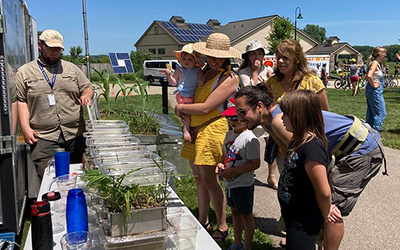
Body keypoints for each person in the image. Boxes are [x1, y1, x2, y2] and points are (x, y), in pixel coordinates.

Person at [234, 85, 386, 250]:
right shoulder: (268, 121)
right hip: (345, 146)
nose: (238, 117)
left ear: (259, 107)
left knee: (332, 208)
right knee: (321, 201)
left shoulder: (279, 121)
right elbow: (289, 153)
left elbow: (304, 154)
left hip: (361, 149)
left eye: (242, 112)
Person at [176, 33, 241, 243]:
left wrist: (180, 107)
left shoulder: (230, 78)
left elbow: (205, 108)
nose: (213, 59)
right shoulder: (203, 70)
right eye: (210, 55)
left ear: (226, 56)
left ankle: (222, 225)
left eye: (218, 56)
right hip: (195, 129)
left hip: (211, 129)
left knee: (210, 180)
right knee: (198, 179)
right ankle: (203, 220)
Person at [16, 29, 93, 179]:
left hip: (75, 134)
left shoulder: (71, 69)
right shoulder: (25, 72)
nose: (55, 53)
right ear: (40, 45)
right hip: (43, 137)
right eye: (51, 49)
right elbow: (21, 100)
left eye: (58, 49)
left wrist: (86, 96)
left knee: (79, 177)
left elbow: (87, 88)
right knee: (50, 180)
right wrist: (25, 128)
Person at [279, 90, 332, 250]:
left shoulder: (312, 149)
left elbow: (323, 191)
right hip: (293, 217)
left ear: (298, 116)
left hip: (304, 222)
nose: (281, 118)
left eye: (285, 114)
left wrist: (326, 214)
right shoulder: (297, 141)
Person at [215, 98, 260, 250]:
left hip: (243, 184)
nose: (232, 121)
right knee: (234, 212)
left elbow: (255, 163)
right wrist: (220, 164)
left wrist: (234, 171)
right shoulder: (229, 135)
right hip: (230, 183)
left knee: (246, 215)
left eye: (235, 118)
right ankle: (237, 243)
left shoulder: (250, 139)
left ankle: (247, 246)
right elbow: (224, 156)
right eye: (229, 118)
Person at [238, 39, 276, 189]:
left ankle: (271, 176)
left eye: (260, 53)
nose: (257, 57)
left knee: (272, 144)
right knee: (247, 143)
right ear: (247, 56)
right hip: (251, 115)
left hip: (266, 113)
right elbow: (249, 93)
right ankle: (244, 170)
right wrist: (254, 73)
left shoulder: (268, 70)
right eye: (253, 54)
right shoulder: (243, 73)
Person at [162, 43, 205, 142]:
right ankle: (186, 130)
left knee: (191, 113)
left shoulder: (198, 70)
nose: (187, 61)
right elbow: (174, 83)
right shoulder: (179, 70)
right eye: (184, 59)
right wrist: (169, 76)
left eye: (190, 59)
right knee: (187, 114)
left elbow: (202, 78)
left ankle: (189, 128)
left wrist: (201, 81)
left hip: (194, 94)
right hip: (183, 94)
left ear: (196, 61)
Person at [365, 46, 387, 131]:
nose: (385, 55)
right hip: (374, 91)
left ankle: (369, 131)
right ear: (379, 54)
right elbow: (369, 75)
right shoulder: (375, 63)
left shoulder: (375, 63)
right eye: (384, 53)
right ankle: (375, 131)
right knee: (381, 113)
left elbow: (367, 77)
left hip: (371, 90)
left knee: (371, 112)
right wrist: (374, 84)